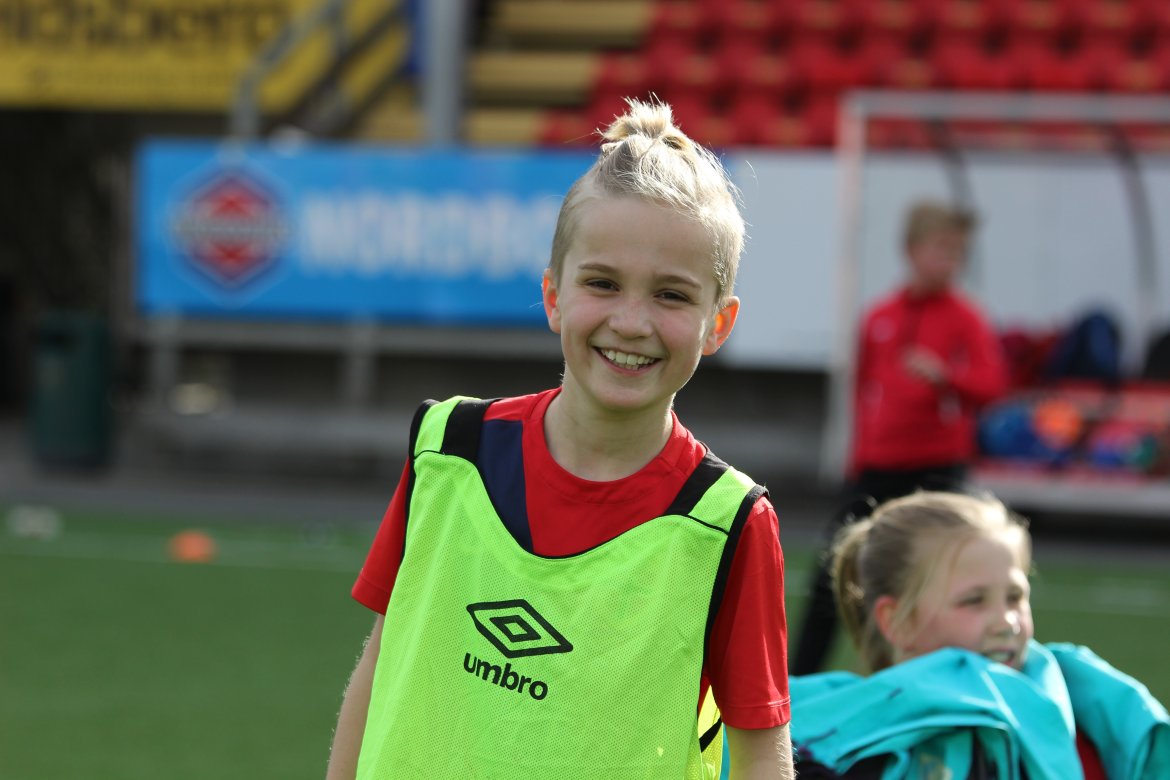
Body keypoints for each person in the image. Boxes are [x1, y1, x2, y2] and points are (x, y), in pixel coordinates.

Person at [325, 98, 794, 780]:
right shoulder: (448, 450)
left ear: (717, 325)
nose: (631, 321)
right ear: (553, 296)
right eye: (602, 283)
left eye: (671, 295)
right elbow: (381, 663)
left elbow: (761, 751)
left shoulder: (727, 523)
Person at [790, 490, 1170, 779]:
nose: (1006, 622)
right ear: (897, 621)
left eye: (1015, 597)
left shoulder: (1086, 722)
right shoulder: (831, 748)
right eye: (973, 601)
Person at [791, 199, 1008, 674]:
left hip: (937, 471)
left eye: (958, 253)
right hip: (877, 469)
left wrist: (947, 376)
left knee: (944, 580)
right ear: (912, 250)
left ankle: (951, 676)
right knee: (835, 570)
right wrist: (858, 459)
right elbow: (863, 395)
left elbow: (993, 386)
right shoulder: (880, 317)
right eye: (941, 249)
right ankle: (797, 682)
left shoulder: (966, 318)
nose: (949, 262)